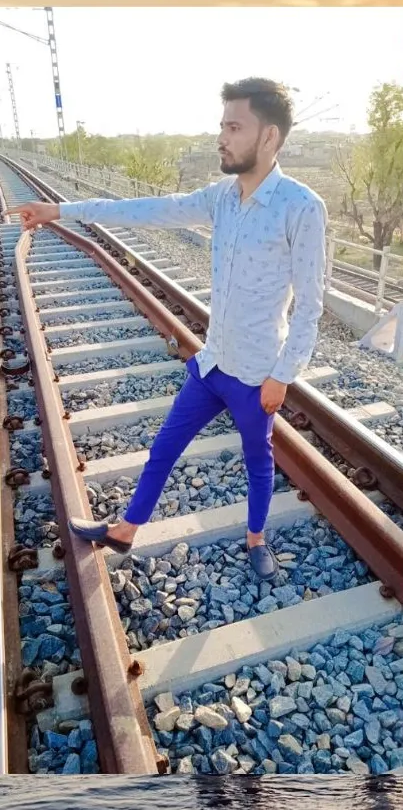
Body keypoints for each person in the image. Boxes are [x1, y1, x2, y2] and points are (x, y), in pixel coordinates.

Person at [6, 77, 327, 579]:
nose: (221, 136)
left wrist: (283, 375)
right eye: (222, 124)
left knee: (257, 460)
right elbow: (147, 209)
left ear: (269, 137)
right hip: (213, 362)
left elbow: (310, 305)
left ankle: (256, 539)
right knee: (164, 446)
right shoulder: (222, 197)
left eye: (234, 126)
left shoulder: (301, 207)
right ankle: (126, 530)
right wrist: (61, 211)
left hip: (257, 373)